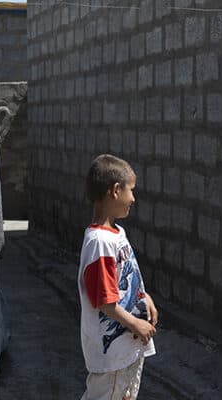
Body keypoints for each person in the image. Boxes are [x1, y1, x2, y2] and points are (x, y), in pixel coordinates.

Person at [78, 154, 159, 400]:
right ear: (115, 190)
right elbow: (104, 300)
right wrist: (135, 323)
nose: (133, 199)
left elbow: (126, 274)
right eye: (130, 191)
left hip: (125, 347)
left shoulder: (115, 233)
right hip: (112, 352)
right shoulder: (100, 242)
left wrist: (145, 298)